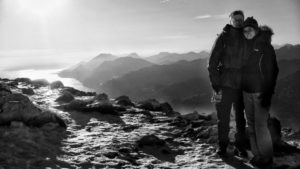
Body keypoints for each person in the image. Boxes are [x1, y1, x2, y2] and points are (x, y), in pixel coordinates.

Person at [208, 10, 247, 157]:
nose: (238, 21)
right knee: (223, 118)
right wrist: (216, 84)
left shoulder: (247, 37)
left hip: (242, 85)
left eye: (240, 19)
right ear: (230, 20)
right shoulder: (223, 38)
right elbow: (212, 63)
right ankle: (222, 147)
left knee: (240, 119)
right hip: (224, 84)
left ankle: (240, 147)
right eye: (235, 19)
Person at [241, 17, 279, 168]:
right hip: (246, 91)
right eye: (244, 30)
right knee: (251, 125)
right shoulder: (245, 46)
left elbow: (273, 70)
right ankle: (258, 155)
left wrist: (268, 93)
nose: (247, 32)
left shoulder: (265, 46)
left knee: (260, 126)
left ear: (256, 30)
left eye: (250, 29)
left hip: (261, 93)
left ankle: (267, 158)